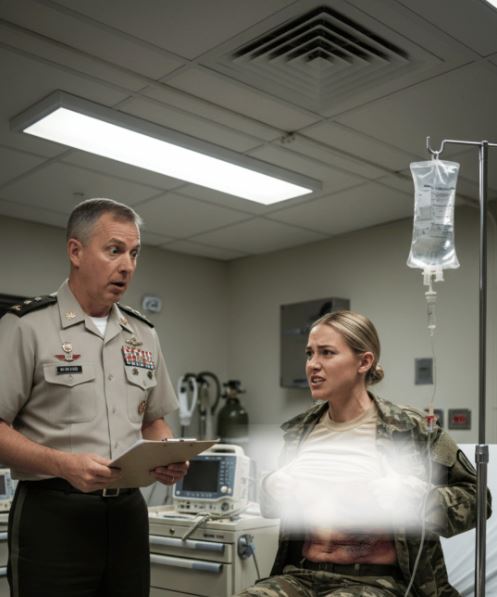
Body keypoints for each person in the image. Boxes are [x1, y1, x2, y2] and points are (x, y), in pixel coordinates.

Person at [0, 198, 188, 597]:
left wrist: (167, 452)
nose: (127, 266)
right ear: (76, 251)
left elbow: (154, 420)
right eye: (114, 250)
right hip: (53, 513)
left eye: (134, 254)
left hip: (127, 514)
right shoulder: (26, 326)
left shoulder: (143, 334)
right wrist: (62, 464)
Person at [236, 310, 491, 597]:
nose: (313, 364)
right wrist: (271, 487)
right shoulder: (300, 432)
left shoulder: (410, 429)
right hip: (302, 576)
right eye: (310, 354)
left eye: (327, 353)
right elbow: (273, 507)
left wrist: (416, 498)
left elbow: (479, 500)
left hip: (377, 582)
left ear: (364, 362)